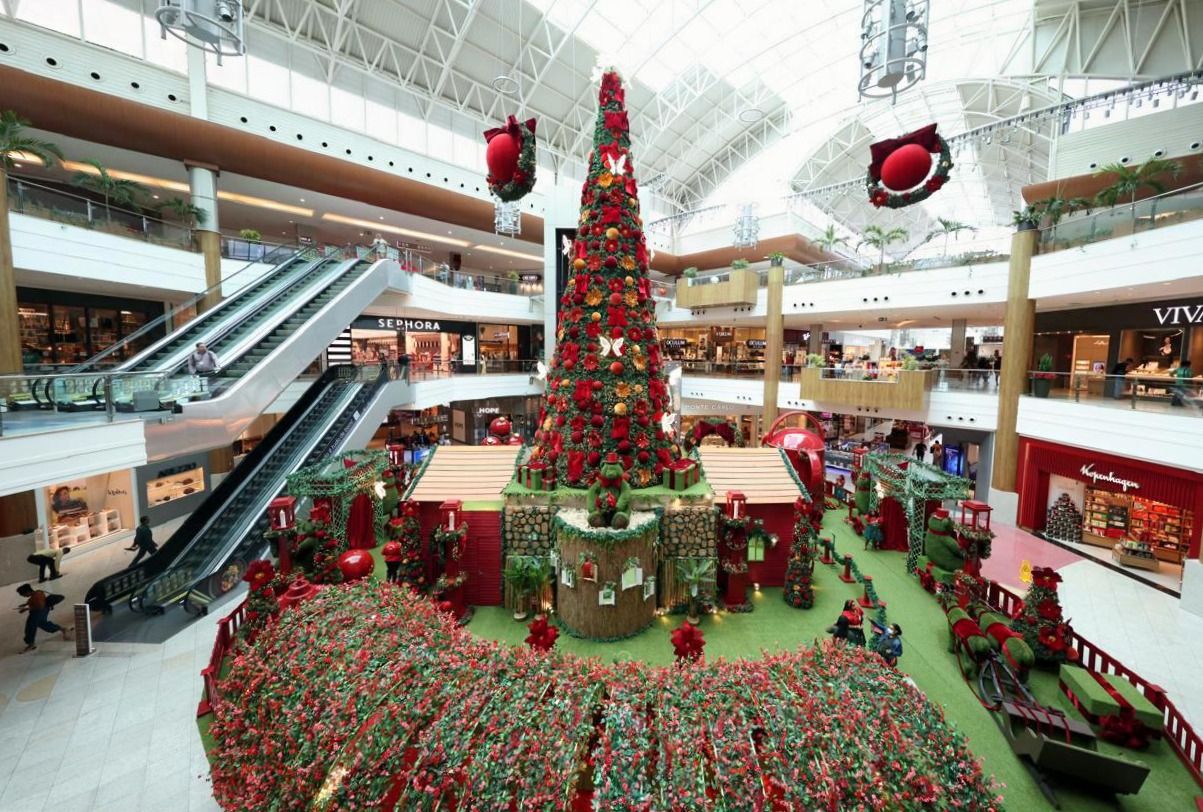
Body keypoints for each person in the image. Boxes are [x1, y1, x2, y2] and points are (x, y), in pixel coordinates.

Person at [16, 584, 71, 653]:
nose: (23, 596)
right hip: (43, 611)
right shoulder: (38, 592)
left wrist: (26, 609)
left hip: (37, 613)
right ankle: (62, 629)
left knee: (30, 627)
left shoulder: (36, 597)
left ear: (27, 592)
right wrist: (25, 604)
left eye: (23, 594)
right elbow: (34, 601)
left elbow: (40, 606)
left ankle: (30, 644)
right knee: (44, 624)